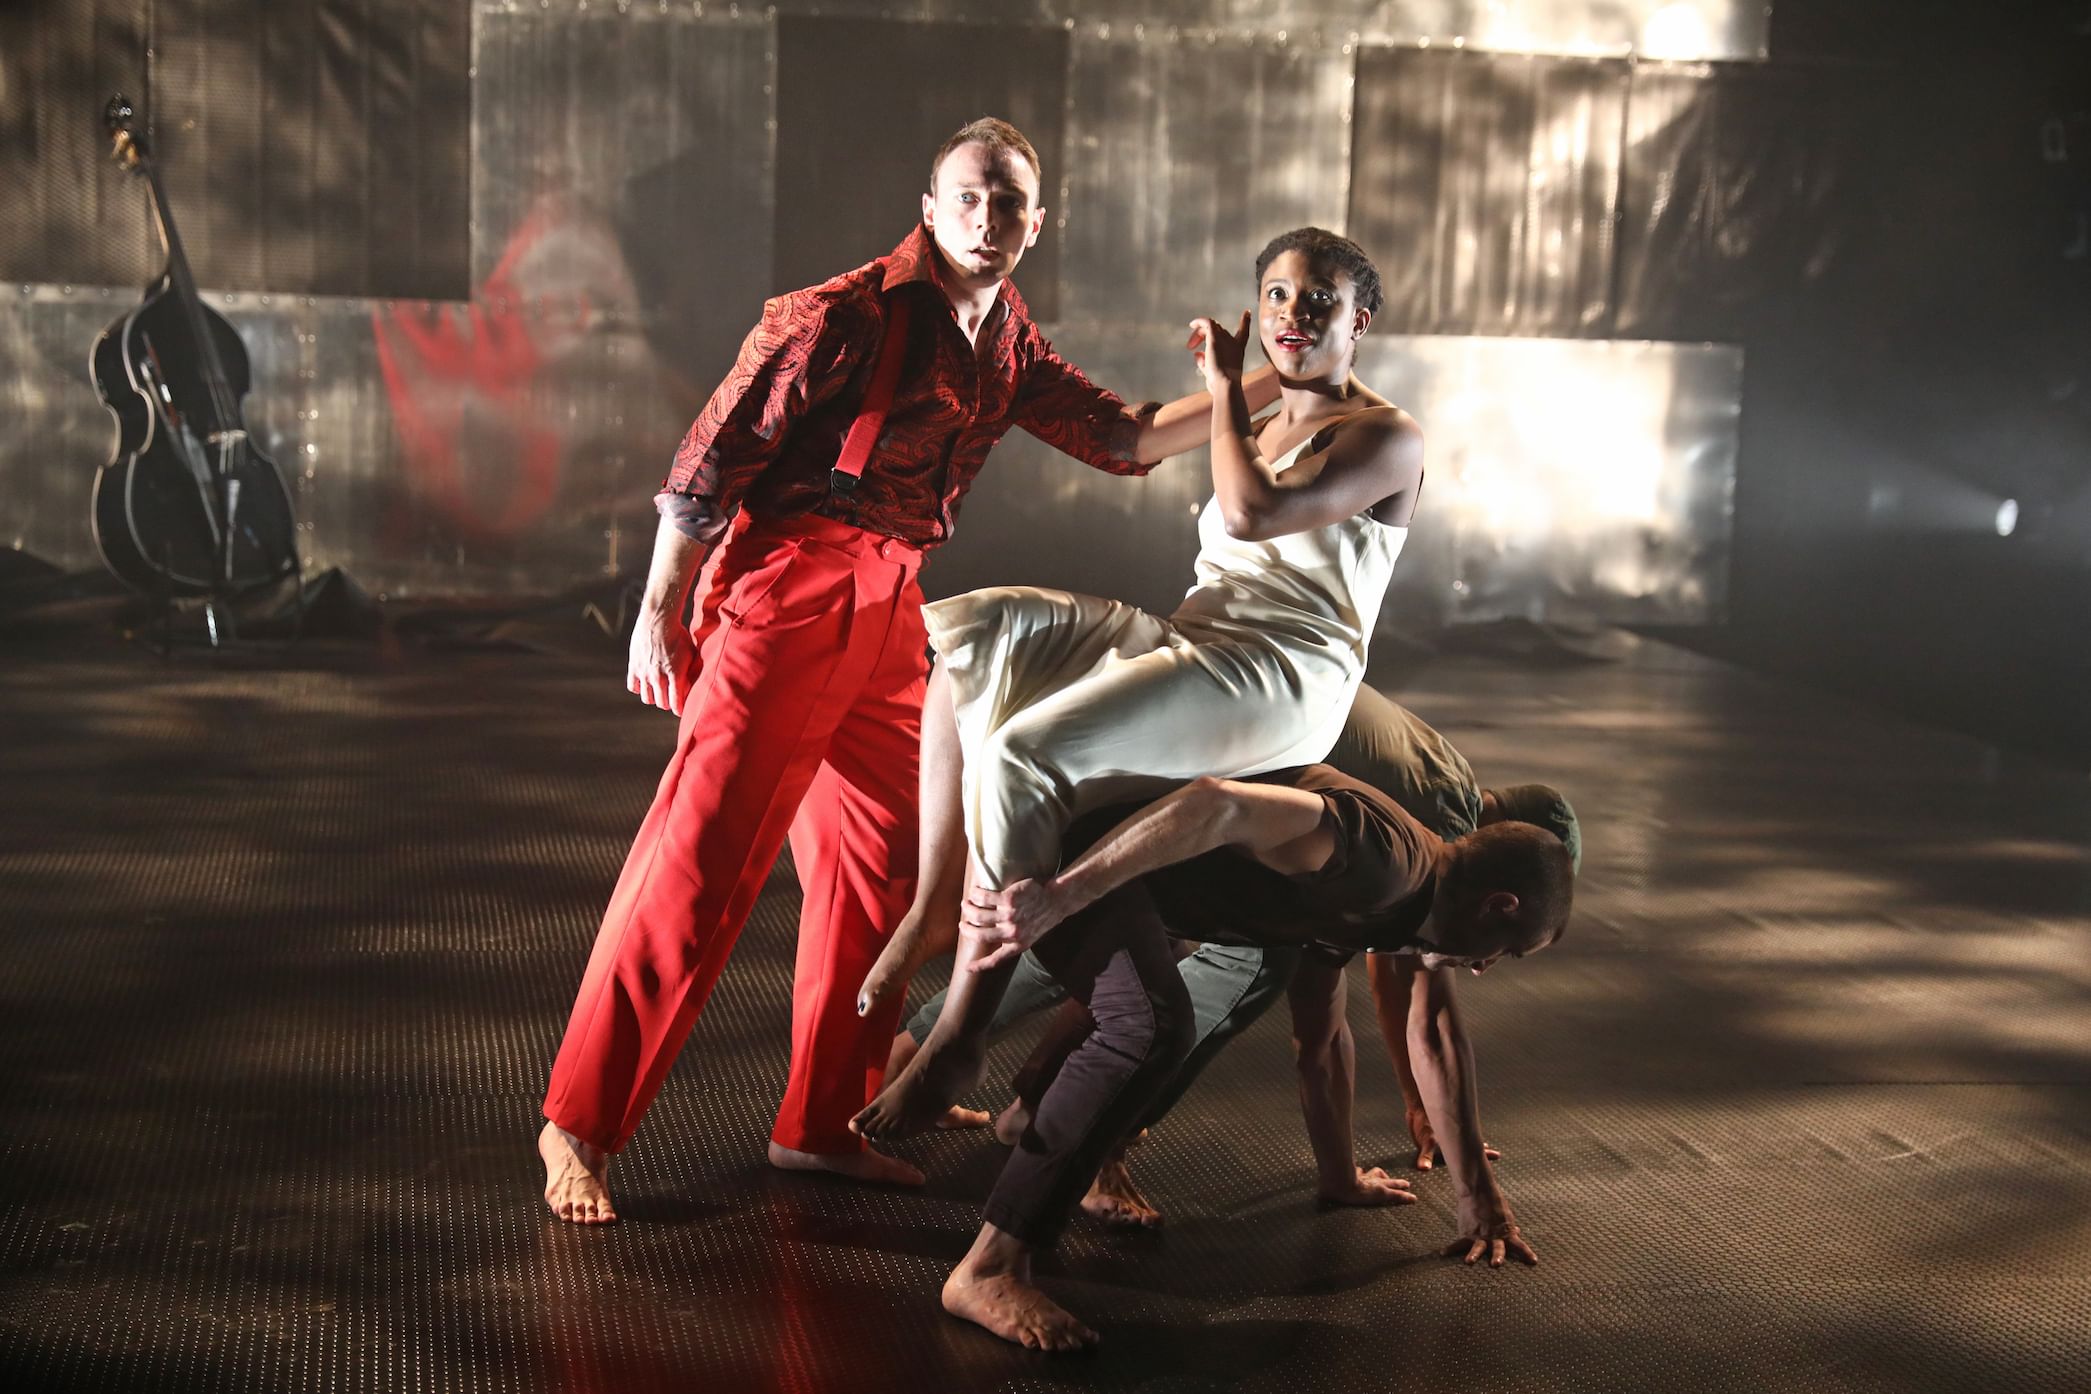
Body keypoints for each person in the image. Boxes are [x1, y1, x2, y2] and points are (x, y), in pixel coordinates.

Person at [536, 117, 1283, 1224]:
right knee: (699, 866)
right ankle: (579, 1122)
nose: (992, 221)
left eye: (1013, 204)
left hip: (891, 606)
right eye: (972, 199)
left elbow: (1123, 436)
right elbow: (707, 461)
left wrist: (1269, 383)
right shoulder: (838, 315)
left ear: (1041, 220)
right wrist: (658, 608)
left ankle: (823, 1119)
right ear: (931, 206)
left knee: (892, 855)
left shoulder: (1008, 331)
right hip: (783, 588)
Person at [851, 227, 1425, 1071]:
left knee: (1022, 753)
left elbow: (1248, 515)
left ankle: (962, 1030)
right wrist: (1243, 387)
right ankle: (935, 902)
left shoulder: (1386, 435)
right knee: (974, 630)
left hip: (1280, 678)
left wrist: (1229, 384)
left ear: (1359, 320)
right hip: (1200, 635)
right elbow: (1134, 438)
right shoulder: (1256, 413)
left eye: (1317, 300)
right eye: (1276, 294)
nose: (1292, 312)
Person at [883, 758, 1575, 1349]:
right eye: (1506, 953)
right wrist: (1066, 894)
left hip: (1133, 880)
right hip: (1082, 846)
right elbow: (1219, 802)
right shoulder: (1385, 862)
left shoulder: (1390, 909)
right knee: (1151, 1026)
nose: (1485, 970)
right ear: (1499, 906)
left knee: (1151, 1015)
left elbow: (1324, 1031)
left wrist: (1338, 1179)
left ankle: (992, 1110)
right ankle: (989, 1267)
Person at [881, 684, 1580, 1227]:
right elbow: (1412, 1013)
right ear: (1502, 891)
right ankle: (1085, 1144)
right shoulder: (1422, 846)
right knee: (1231, 970)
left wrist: (1368, 1150)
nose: (1487, 965)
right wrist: (1472, 1189)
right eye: (1505, 948)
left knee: (1114, 931)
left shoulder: (1434, 796)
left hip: (1166, 766)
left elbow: (1337, 1004)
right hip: (1188, 796)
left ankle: (920, 1060)